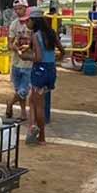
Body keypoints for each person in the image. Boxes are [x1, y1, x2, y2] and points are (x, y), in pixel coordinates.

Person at [26, 8, 65, 144]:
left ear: (34, 21)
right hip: (50, 70)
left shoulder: (36, 36)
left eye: (28, 20)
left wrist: (24, 57)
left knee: (38, 105)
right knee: (32, 100)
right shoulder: (51, 33)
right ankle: (32, 127)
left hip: (39, 70)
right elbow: (62, 50)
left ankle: (41, 136)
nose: (27, 23)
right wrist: (55, 59)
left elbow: (38, 57)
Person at [5, 0, 33, 120]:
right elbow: (9, 43)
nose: (18, 11)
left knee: (23, 90)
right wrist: (16, 49)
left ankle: (10, 103)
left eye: (20, 8)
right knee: (18, 89)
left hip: (29, 63)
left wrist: (29, 47)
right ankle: (22, 112)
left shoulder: (32, 24)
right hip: (17, 61)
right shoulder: (14, 24)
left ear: (26, 8)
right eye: (16, 9)